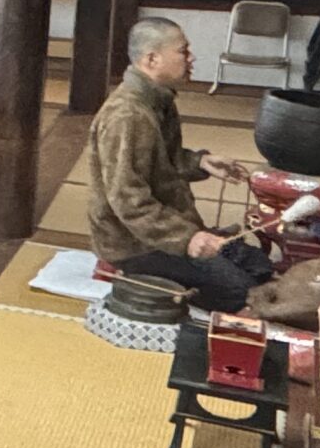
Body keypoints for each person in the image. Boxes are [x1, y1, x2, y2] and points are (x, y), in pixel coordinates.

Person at [89, 17, 263, 311]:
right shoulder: (127, 116)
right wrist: (186, 238)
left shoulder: (156, 100)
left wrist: (201, 162)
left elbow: (163, 161)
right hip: (135, 244)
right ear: (152, 59)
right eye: (183, 51)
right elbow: (128, 200)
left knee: (258, 265)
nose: (191, 58)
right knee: (244, 292)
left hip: (167, 227)